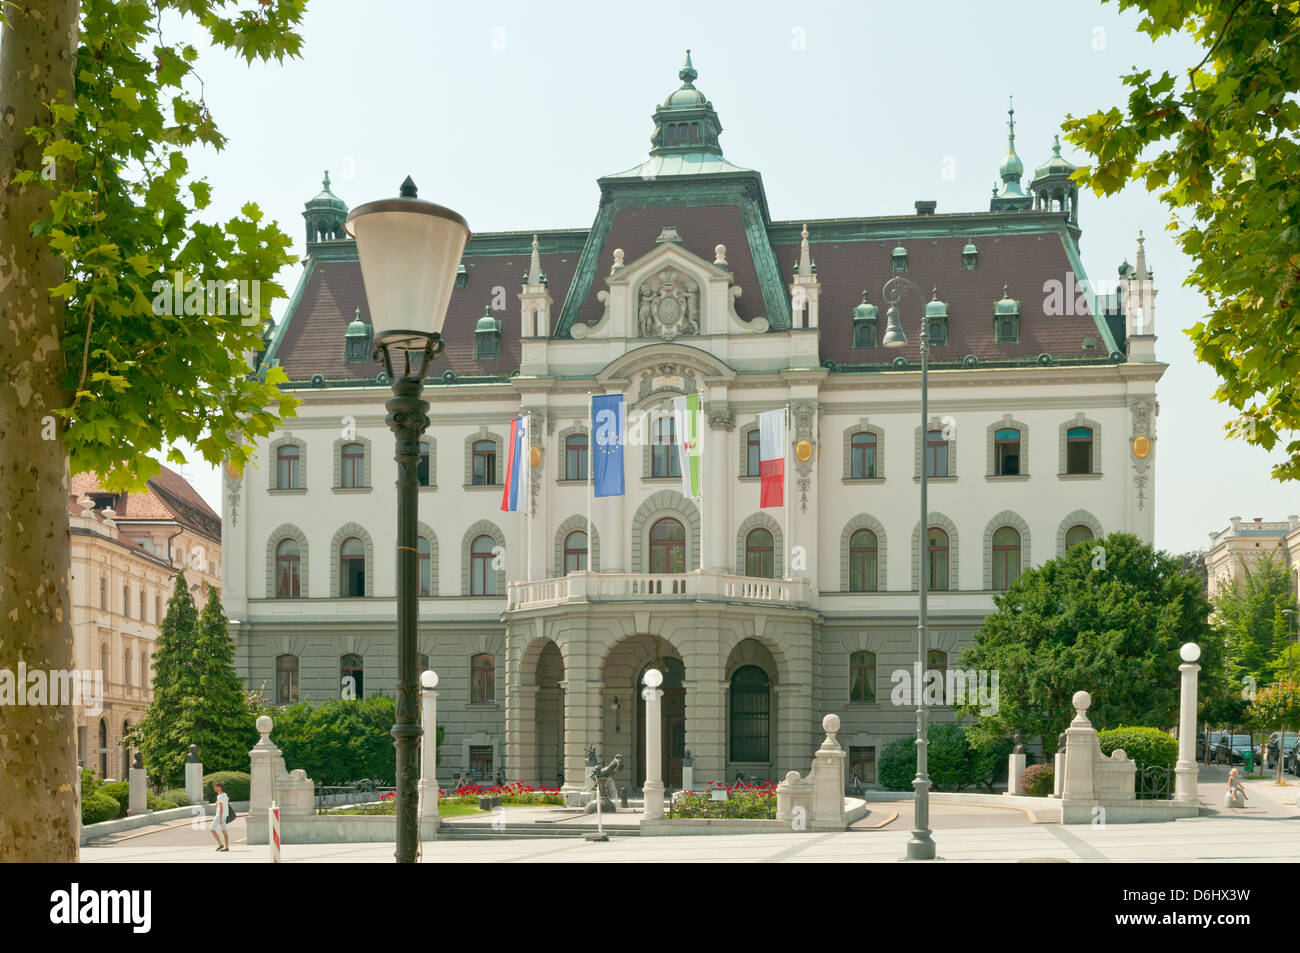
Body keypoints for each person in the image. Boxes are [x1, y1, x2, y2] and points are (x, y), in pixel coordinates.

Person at [210, 781, 230, 852]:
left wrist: (220, 818)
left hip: (219, 815)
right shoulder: (225, 794)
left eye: (216, 787)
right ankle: (226, 847)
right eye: (214, 787)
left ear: (220, 787)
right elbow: (226, 803)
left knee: (212, 829)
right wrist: (217, 803)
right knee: (224, 831)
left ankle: (220, 844)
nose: (214, 788)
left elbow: (221, 808)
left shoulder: (219, 796)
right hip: (225, 814)